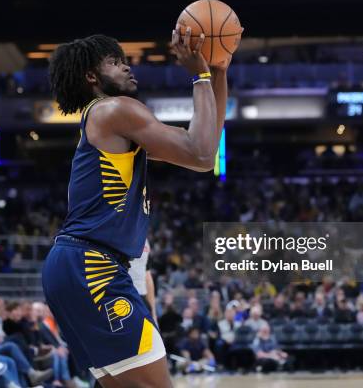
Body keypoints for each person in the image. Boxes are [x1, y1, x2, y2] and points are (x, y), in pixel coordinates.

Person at [42, 26, 228, 388]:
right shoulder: (115, 110)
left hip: (81, 265)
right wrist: (200, 74)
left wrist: (217, 72)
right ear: (92, 76)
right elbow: (202, 153)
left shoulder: (115, 124)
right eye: (115, 62)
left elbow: (206, 143)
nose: (127, 68)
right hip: (91, 267)